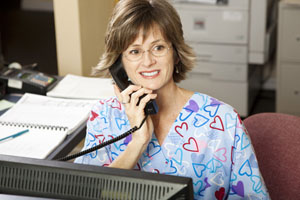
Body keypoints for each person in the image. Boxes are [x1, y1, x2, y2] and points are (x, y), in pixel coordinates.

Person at [75, 0, 270, 199]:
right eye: (134, 51)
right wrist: (138, 143)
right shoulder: (104, 116)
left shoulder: (221, 120)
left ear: (176, 54)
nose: (148, 61)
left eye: (158, 48)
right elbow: (85, 193)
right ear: (119, 64)